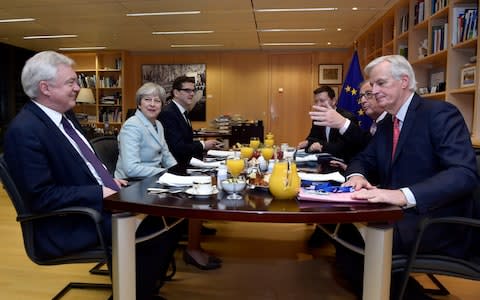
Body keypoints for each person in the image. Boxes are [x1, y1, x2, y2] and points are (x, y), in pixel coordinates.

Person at [3, 51, 181, 300]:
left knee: (169, 217)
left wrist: (109, 181)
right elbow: (40, 197)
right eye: (71, 82)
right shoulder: (24, 131)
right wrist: (97, 191)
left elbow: (84, 164)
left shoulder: (65, 117)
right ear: (45, 88)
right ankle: (134, 293)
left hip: (95, 206)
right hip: (68, 223)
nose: (78, 87)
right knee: (156, 225)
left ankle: (140, 290)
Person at [337, 54, 478, 299]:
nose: (374, 90)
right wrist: (357, 176)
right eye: (372, 85)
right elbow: (362, 159)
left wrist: (402, 195)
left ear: (404, 81)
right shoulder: (386, 124)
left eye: (381, 83)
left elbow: (463, 174)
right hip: (401, 215)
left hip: (438, 221)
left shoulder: (439, 113)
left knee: (361, 242)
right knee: (344, 232)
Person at [159, 75, 223, 270]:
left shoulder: (182, 112)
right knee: (204, 186)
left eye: (193, 90)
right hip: (174, 170)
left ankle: (196, 236)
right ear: (176, 93)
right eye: (187, 90)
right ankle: (192, 249)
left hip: (182, 166)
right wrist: (203, 144)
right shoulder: (170, 113)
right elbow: (177, 147)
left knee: (212, 177)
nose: (191, 93)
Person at [115, 82, 177, 179]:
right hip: (132, 183)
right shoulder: (132, 126)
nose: (152, 104)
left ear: (161, 105)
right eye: (147, 99)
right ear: (139, 104)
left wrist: (177, 172)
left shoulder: (158, 125)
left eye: (157, 101)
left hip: (153, 178)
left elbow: (166, 155)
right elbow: (131, 169)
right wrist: (164, 172)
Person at [297, 85, 359, 163]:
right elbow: (312, 138)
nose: (318, 105)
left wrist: (320, 145)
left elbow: (342, 148)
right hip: (324, 162)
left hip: (344, 164)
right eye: (316, 101)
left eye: (322, 101)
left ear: (333, 101)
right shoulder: (318, 118)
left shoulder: (346, 118)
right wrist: (308, 143)